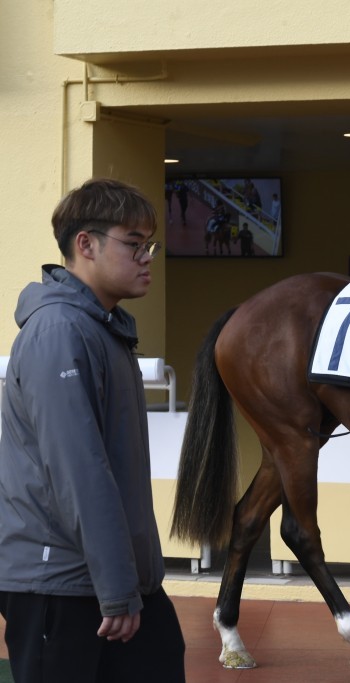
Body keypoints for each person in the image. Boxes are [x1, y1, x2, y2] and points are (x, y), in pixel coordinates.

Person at [0, 178, 186, 683]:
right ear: (86, 244)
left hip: (112, 584)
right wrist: (119, 589)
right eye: (133, 243)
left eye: (150, 244)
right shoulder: (59, 331)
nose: (147, 256)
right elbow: (79, 472)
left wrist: (131, 584)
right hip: (61, 588)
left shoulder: (103, 328)